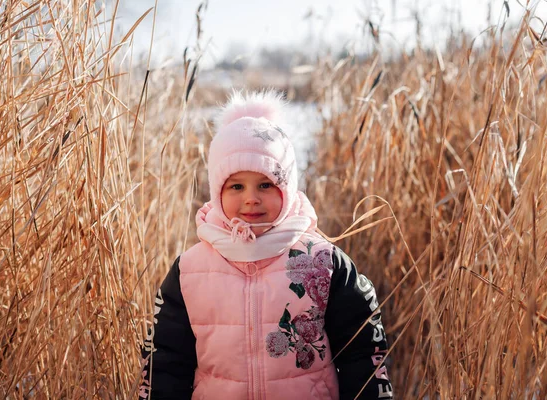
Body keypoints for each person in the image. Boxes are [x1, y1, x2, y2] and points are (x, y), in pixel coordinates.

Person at [138, 91, 393, 400]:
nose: (251, 198)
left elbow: (363, 355)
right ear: (216, 190)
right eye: (236, 186)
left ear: (286, 188)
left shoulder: (322, 263)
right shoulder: (189, 272)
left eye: (265, 185)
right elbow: (165, 363)